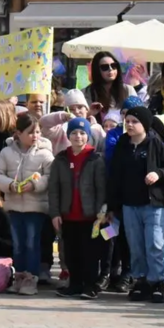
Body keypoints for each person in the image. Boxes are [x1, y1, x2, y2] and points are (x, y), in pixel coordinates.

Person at [108, 106, 164, 303]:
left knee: (155, 243)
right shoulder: (122, 144)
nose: (129, 125)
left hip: (153, 204)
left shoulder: (155, 143)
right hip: (129, 204)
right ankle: (141, 280)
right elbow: (115, 176)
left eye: (134, 122)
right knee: (135, 245)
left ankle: (158, 282)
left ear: (144, 124)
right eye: (127, 121)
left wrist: (158, 174)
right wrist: (112, 206)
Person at [0, 112, 54, 296]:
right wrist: (10, 185)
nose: (35, 136)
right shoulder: (6, 152)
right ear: (18, 133)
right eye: (30, 132)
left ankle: (31, 279)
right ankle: (18, 277)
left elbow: (51, 176)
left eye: (38, 132)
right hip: (14, 206)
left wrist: (34, 184)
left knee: (32, 243)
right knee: (18, 244)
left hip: (36, 207)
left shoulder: (44, 153)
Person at [48, 118, 107, 299]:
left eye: (82, 133)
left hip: (90, 216)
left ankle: (90, 285)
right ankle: (74, 284)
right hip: (68, 215)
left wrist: (101, 213)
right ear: (68, 136)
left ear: (88, 136)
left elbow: (101, 189)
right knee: (71, 252)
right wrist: (55, 213)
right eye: (74, 133)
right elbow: (54, 188)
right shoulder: (61, 159)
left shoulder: (96, 158)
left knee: (89, 253)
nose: (78, 137)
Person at [83, 51, 135, 117]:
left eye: (113, 66)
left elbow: (138, 113)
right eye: (105, 67)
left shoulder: (128, 90)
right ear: (97, 70)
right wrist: (89, 113)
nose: (110, 69)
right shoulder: (86, 93)